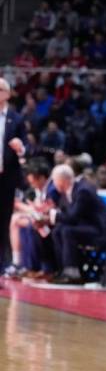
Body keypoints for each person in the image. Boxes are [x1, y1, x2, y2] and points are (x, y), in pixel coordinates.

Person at [49, 164, 106, 285]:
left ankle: (72, 272)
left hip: (99, 231)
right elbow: (67, 216)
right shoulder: (66, 193)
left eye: (55, 181)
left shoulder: (83, 190)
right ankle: (62, 269)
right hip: (84, 227)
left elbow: (73, 217)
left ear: (62, 180)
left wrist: (53, 215)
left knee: (67, 231)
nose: (54, 185)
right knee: (57, 230)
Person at [0, 78, 27, 279]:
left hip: (6, 179)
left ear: (7, 94)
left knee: (2, 223)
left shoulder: (16, 119)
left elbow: (27, 147)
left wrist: (21, 147)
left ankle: (1, 268)